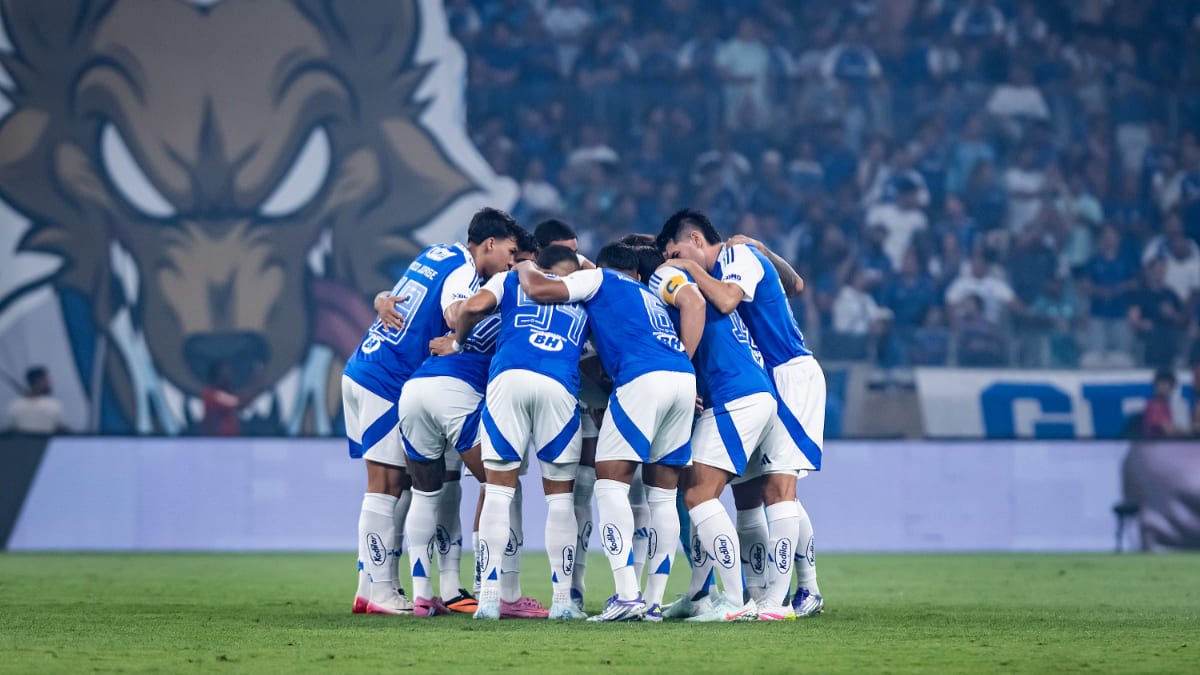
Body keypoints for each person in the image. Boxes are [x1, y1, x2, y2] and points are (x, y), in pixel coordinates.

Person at [342, 207, 518, 615]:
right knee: (385, 486)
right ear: (488, 244)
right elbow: (456, 309)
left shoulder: (436, 253)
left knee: (399, 484)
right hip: (385, 379)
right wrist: (462, 333)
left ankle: (369, 587)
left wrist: (379, 300)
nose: (511, 261)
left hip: (366, 365)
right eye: (509, 251)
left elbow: (392, 297)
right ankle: (380, 590)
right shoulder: (464, 271)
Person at [656, 209, 827, 620]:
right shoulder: (742, 258)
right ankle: (771, 592)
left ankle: (783, 598)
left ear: (695, 239)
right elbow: (796, 284)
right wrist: (767, 250)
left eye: (676, 252)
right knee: (751, 493)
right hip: (765, 380)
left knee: (779, 489)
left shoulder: (734, 259)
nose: (673, 261)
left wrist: (688, 270)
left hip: (790, 373)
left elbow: (729, 299)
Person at [515, 242, 699, 622]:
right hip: (683, 377)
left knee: (609, 485)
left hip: (641, 379)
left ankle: (627, 595)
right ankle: (651, 601)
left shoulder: (599, 279)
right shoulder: (648, 295)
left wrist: (526, 268)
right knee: (662, 497)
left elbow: (541, 291)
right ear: (636, 272)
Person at [433, 245, 589, 620]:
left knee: (498, 491)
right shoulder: (582, 292)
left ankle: (488, 598)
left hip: (508, 379)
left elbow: (471, 307)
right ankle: (563, 603)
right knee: (560, 500)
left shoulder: (512, 278)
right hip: (558, 384)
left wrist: (456, 343)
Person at [393, 226, 539, 617]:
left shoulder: (479, 301)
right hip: (456, 393)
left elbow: (457, 316)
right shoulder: (522, 311)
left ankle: (423, 596)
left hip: (416, 389)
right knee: (500, 484)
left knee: (426, 494)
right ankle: (496, 589)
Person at [3, 366, 66, 434]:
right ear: (38, 382)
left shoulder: (15, 405)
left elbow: (9, 430)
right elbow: (63, 429)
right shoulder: (53, 405)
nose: (49, 384)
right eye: (47, 381)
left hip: (24, 443)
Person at [200, 362, 240, 436]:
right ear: (218, 376)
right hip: (217, 442)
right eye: (226, 373)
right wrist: (257, 384)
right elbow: (238, 403)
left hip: (231, 442)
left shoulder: (227, 393)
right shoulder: (211, 394)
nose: (229, 377)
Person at [1141, 369, 1183, 438]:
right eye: (1161, 384)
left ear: (1172, 387)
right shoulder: (1154, 406)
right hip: (1155, 445)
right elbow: (1169, 431)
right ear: (1155, 386)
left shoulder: (1167, 406)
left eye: (1167, 384)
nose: (1164, 387)